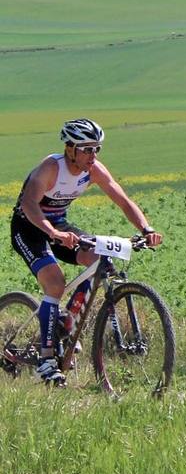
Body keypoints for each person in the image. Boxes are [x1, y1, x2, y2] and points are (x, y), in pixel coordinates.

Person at [9, 119, 163, 386]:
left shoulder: (93, 170)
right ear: (70, 149)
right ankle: (45, 361)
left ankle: (66, 321)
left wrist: (146, 228)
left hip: (59, 225)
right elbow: (30, 204)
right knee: (55, 283)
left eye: (97, 149)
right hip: (29, 227)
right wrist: (53, 234)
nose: (93, 155)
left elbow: (123, 201)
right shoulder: (50, 168)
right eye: (88, 149)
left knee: (98, 258)